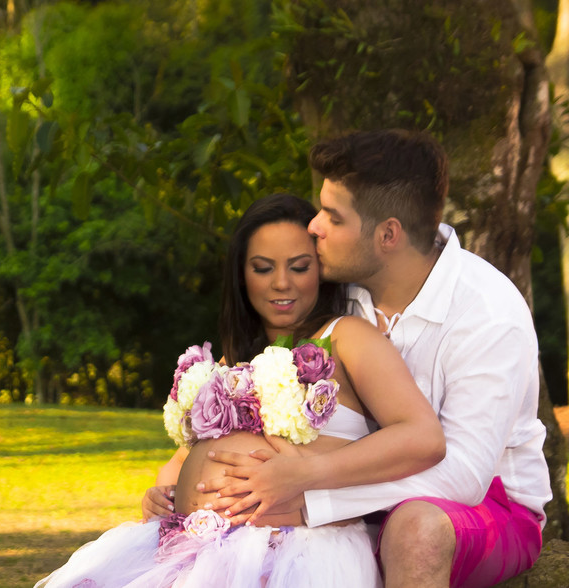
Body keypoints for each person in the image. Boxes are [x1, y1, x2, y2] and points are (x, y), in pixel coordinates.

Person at [195, 130, 552, 588]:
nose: (314, 227)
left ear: (388, 234)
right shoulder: (341, 291)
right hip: (355, 488)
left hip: (488, 505)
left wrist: (312, 494)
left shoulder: (487, 311)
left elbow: (464, 474)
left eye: (333, 216)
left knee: (414, 528)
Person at [36, 193, 445, 588]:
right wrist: (161, 494)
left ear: (320, 269)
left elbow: (420, 436)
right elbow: (184, 461)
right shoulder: (235, 361)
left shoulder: (348, 337)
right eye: (263, 268)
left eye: (299, 267)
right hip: (198, 543)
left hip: (299, 552)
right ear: (241, 274)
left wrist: (306, 473)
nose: (281, 283)